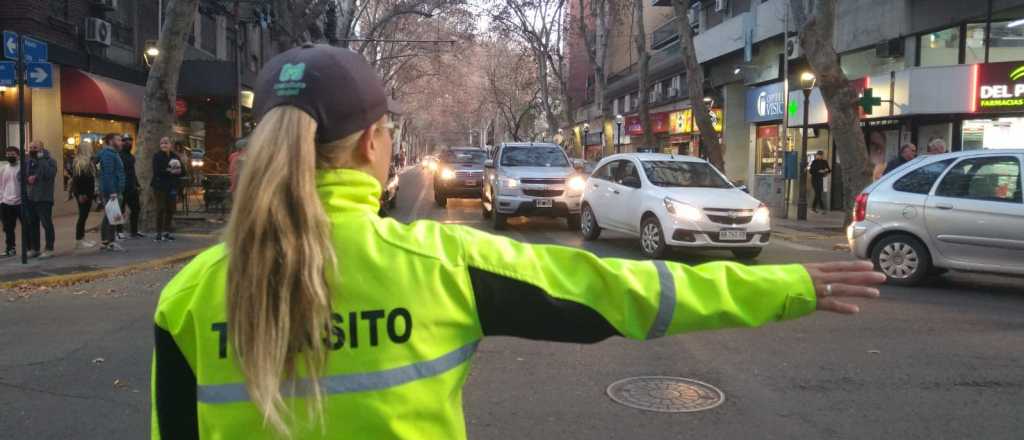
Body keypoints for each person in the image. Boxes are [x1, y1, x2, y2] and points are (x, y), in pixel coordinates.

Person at [150, 44, 885, 439]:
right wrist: (785, 285)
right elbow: (625, 292)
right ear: (374, 142)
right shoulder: (440, 265)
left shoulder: (187, 297)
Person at [25, 140, 57, 259]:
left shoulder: (50, 161)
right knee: (32, 224)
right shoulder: (28, 161)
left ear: (41, 149)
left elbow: (49, 174)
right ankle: (35, 248)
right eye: (31, 148)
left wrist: (42, 159)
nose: (32, 150)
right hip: (31, 198)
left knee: (46, 224)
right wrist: (27, 178)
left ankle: (49, 248)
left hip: (44, 198)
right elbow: (19, 176)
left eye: (35, 148)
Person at [97, 133, 126, 252]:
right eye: (118, 140)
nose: (121, 142)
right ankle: (110, 242)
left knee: (110, 215)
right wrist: (113, 191)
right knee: (112, 216)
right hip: (112, 191)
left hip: (114, 189)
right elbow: (108, 174)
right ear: (110, 141)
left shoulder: (113, 153)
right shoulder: (108, 154)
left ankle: (106, 242)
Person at [152, 137, 182, 241]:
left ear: (170, 145)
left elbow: (182, 171)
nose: (164, 145)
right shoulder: (157, 156)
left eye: (166, 143)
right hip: (160, 186)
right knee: (160, 209)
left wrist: (177, 171)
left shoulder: (175, 156)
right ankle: (158, 232)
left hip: (172, 186)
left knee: (170, 209)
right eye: (162, 143)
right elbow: (157, 171)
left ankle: (167, 232)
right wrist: (170, 170)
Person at [70, 142, 99, 249]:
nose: (92, 150)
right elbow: (78, 179)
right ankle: (79, 239)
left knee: (84, 215)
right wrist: (81, 194)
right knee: (82, 216)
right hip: (83, 193)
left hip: (87, 192)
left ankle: (82, 238)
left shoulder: (87, 161)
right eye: (90, 148)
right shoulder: (81, 162)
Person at [117, 135, 143, 239]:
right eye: (125, 141)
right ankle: (119, 232)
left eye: (130, 140)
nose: (128, 143)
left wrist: (137, 184)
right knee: (120, 210)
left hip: (132, 187)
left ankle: (134, 231)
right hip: (121, 188)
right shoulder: (118, 156)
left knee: (136, 209)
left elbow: (132, 172)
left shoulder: (131, 157)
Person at [1, 146, 21, 257]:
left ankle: (30, 248)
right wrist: (1, 199)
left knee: (26, 226)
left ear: (18, 156)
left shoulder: (22, 168)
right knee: (8, 228)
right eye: (8, 155)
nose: (10, 156)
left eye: (13, 154)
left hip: (20, 203)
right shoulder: (3, 169)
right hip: (6, 203)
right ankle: (10, 249)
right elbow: (1, 185)